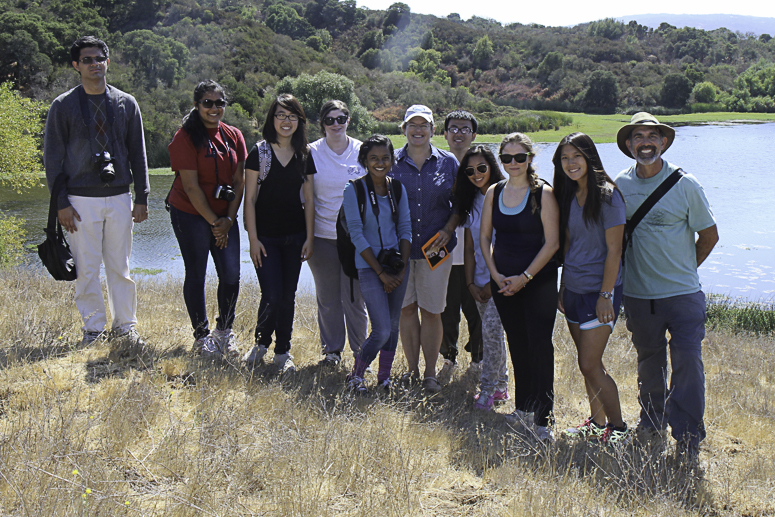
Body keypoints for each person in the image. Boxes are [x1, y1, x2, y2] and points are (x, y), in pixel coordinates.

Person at [615, 113, 718, 462]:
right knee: (649, 362)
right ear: (629, 145)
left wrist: (685, 270)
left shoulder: (686, 184)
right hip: (640, 296)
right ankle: (651, 423)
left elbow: (709, 236)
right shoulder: (619, 185)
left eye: (652, 136)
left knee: (688, 361)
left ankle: (688, 440)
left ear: (663, 143)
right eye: (638, 137)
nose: (645, 142)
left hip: (684, 295)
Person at [43, 36, 149, 348]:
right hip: (79, 200)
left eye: (99, 58)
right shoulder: (63, 106)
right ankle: (93, 329)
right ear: (76, 65)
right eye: (87, 60)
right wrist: (61, 202)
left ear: (107, 61)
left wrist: (141, 197)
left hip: (118, 196)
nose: (94, 64)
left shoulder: (126, 103)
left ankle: (126, 327)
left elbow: (138, 154)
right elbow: (52, 159)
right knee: (87, 269)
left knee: (120, 267)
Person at [480, 133, 559, 441]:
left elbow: (552, 243)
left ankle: (544, 419)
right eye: (507, 158)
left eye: (520, 157)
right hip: (502, 282)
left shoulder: (544, 194)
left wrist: (524, 277)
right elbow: (485, 238)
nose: (513, 163)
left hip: (537, 282)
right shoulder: (493, 192)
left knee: (540, 348)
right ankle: (524, 409)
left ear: (530, 159)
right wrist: (496, 275)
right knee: (517, 345)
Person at [552, 133, 628, 444]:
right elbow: (569, 246)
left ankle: (619, 428)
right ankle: (596, 424)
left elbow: (615, 251)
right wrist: (563, 286)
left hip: (601, 293)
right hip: (574, 290)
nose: (570, 163)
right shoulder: (569, 195)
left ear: (590, 158)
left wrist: (605, 295)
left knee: (589, 363)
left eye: (576, 156)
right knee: (589, 365)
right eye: (565, 158)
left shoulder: (609, 196)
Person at [167, 80, 246, 357]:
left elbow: (239, 180)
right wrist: (216, 223)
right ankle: (202, 337)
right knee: (197, 272)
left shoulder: (234, 135)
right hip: (190, 213)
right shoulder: (185, 137)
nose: (214, 108)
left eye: (219, 103)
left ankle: (224, 332)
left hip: (225, 216)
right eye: (207, 103)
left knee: (231, 274)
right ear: (197, 105)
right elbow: (190, 187)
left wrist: (229, 219)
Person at [388, 104, 459, 394]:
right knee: (406, 311)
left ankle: (430, 374)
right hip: (400, 251)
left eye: (424, 125)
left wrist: (448, 229)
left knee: (431, 312)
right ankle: (411, 370)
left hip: (436, 250)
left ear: (432, 129)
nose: (418, 130)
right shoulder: (389, 161)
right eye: (412, 125)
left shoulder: (449, 162)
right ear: (403, 129)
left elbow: (460, 205)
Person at [242, 94, 315, 373]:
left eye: (292, 116)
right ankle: (261, 343)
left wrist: (309, 237)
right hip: (266, 238)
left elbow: (309, 199)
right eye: (281, 115)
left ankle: (283, 352)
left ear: (300, 121)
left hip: (295, 237)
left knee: (288, 295)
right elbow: (249, 200)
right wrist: (253, 240)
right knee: (271, 294)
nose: (286, 121)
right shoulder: (259, 153)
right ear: (272, 119)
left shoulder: (304, 154)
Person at [343, 135, 411, 392]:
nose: (380, 163)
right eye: (374, 158)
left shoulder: (397, 189)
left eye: (385, 158)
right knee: (381, 330)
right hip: (369, 266)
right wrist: (381, 273)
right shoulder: (354, 190)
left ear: (392, 160)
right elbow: (356, 234)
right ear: (364, 161)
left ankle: (384, 379)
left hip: (396, 266)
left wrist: (401, 268)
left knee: (393, 326)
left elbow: (405, 229)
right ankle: (356, 375)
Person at [307, 100, 368, 367]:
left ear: (348, 120)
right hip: (322, 238)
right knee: (328, 298)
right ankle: (332, 352)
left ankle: (361, 353)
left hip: (356, 240)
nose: (336, 124)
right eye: (330, 120)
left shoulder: (361, 150)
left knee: (355, 299)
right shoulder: (311, 152)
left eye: (340, 118)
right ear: (322, 123)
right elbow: (305, 198)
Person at [452, 145, 508, 410]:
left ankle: (486, 392)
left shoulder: (507, 194)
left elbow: (507, 244)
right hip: (480, 283)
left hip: (503, 280)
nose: (476, 174)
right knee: (494, 335)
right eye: (470, 170)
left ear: (492, 168)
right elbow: (469, 246)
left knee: (492, 333)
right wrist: (471, 283)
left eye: (482, 168)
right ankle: (501, 387)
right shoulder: (471, 199)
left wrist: (491, 283)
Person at [438, 111, 483, 383]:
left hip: (475, 256)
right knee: (445, 313)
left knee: (477, 312)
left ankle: (478, 360)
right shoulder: (436, 166)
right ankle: (447, 359)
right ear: (444, 134)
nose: (458, 133)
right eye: (453, 128)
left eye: (465, 129)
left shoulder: (481, 167)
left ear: (474, 135)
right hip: (442, 256)